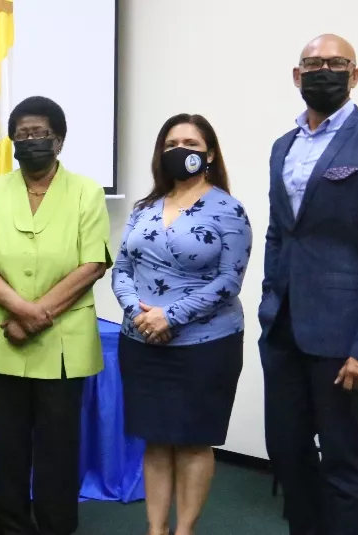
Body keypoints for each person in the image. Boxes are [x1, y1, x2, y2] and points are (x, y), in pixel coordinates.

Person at [261, 34, 358, 535]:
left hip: (347, 338)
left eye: (335, 62)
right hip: (283, 331)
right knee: (288, 456)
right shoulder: (283, 146)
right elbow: (279, 233)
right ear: (295, 74)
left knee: (345, 468)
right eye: (312, 63)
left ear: (355, 74)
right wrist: (267, 306)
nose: (322, 70)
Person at [0, 96, 110, 535]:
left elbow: (92, 265)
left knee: (58, 449)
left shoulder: (87, 191)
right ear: (11, 142)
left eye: (41, 133)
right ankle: (11, 527)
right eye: (23, 134)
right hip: (1, 339)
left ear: (59, 140)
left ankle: (56, 527)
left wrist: (34, 316)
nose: (32, 141)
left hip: (64, 344)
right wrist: (23, 311)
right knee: (6, 448)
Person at [112, 114, 252, 535]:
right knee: (156, 439)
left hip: (206, 344)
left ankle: (184, 529)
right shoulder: (144, 209)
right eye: (171, 143)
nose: (180, 150)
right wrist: (139, 312)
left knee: (192, 440)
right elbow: (121, 268)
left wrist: (169, 316)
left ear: (208, 153)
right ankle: (156, 529)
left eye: (190, 142)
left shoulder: (228, 209)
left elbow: (230, 280)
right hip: (141, 342)